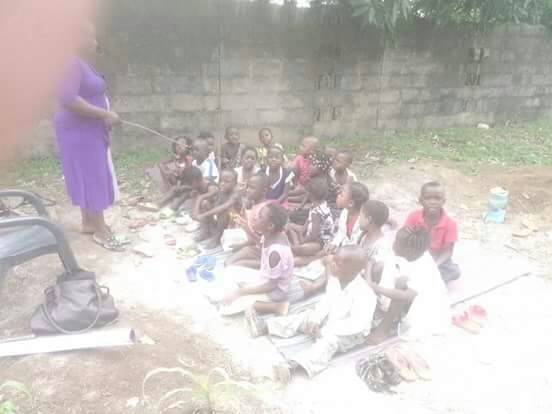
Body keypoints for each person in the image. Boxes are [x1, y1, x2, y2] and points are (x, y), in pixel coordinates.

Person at [245, 245, 377, 382]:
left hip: (349, 334)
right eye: (333, 259)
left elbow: (356, 324)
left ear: (353, 271)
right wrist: (316, 320)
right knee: (306, 316)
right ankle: (266, 327)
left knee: (329, 343)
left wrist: (327, 330)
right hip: (331, 320)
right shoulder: (335, 279)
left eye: (337, 263)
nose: (331, 263)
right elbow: (326, 301)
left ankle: (293, 366)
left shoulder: (365, 294)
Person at [53, 22, 124, 251]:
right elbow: (69, 99)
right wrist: (105, 113)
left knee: (88, 172)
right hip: (79, 132)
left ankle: (88, 222)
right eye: (92, 38)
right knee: (92, 174)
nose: (96, 42)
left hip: (86, 130)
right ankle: (101, 229)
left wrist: (102, 116)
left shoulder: (81, 64)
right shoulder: (70, 63)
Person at [366, 226, 451, 344]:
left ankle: (385, 327)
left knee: (402, 283)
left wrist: (376, 288)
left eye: (397, 242)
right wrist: (369, 277)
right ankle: (379, 309)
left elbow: (406, 295)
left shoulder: (424, 267)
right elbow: (373, 260)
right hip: (404, 296)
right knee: (381, 265)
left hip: (422, 305)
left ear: (408, 250)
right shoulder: (408, 251)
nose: (393, 244)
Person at [221, 203, 302, 316]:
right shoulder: (272, 234)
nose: (255, 218)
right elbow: (261, 242)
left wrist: (240, 292)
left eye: (260, 217)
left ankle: (276, 306)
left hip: (274, 292)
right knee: (230, 270)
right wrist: (246, 228)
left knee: (225, 309)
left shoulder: (276, 253)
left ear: (270, 226)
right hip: (263, 278)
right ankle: (248, 293)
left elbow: (271, 286)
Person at [404, 181, 460, 283]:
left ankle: (426, 279)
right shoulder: (413, 217)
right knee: (400, 264)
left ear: (443, 201)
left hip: (437, 259)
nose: (432, 202)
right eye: (428, 198)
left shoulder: (450, 224)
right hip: (415, 256)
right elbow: (403, 238)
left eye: (437, 198)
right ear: (420, 200)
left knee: (454, 272)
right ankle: (425, 279)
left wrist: (433, 266)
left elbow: (448, 252)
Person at [225, 174, 271, 268]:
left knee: (233, 265)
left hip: (269, 253)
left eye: (252, 188)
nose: (247, 190)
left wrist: (246, 227)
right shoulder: (255, 206)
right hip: (258, 247)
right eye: (247, 187)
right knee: (228, 262)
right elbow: (256, 238)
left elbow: (268, 240)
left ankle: (268, 265)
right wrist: (242, 245)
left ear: (264, 191)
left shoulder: (265, 211)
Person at [288, 177, 334, 267]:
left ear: (310, 195)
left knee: (299, 250)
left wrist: (303, 240)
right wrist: (302, 231)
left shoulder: (317, 212)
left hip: (320, 242)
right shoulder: (320, 204)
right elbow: (308, 221)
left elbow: (314, 235)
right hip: (312, 235)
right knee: (290, 226)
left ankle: (296, 249)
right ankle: (297, 245)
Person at [191, 169, 242, 249]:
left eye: (226, 181)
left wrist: (204, 215)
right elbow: (209, 201)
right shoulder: (221, 191)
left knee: (224, 211)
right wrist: (199, 211)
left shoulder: (236, 194)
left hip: (235, 223)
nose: (222, 183)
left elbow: (224, 207)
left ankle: (217, 238)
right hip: (222, 221)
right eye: (220, 180)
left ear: (235, 183)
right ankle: (206, 231)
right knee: (205, 204)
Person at [326, 179, 370, 250]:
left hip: (354, 253)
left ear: (350, 203)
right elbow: (341, 232)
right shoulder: (345, 212)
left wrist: (339, 251)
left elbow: (356, 243)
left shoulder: (361, 223)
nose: (338, 195)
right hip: (345, 248)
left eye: (341, 195)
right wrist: (334, 243)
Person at [358, 200, 391, 282]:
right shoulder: (364, 236)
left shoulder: (383, 245)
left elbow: (377, 271)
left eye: (360, 216)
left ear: (369, 219)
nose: (358, 219)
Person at [288, 136, 319, 203]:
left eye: (303, 146)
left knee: (304, 195)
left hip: (311, 188)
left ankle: (288, 198)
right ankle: (287, 194)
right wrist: (296, 182)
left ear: (312, 150)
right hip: (300, 185)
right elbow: (295, 171)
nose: (300, 147)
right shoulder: (299, 158)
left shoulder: (315, 161)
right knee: (297, 191)